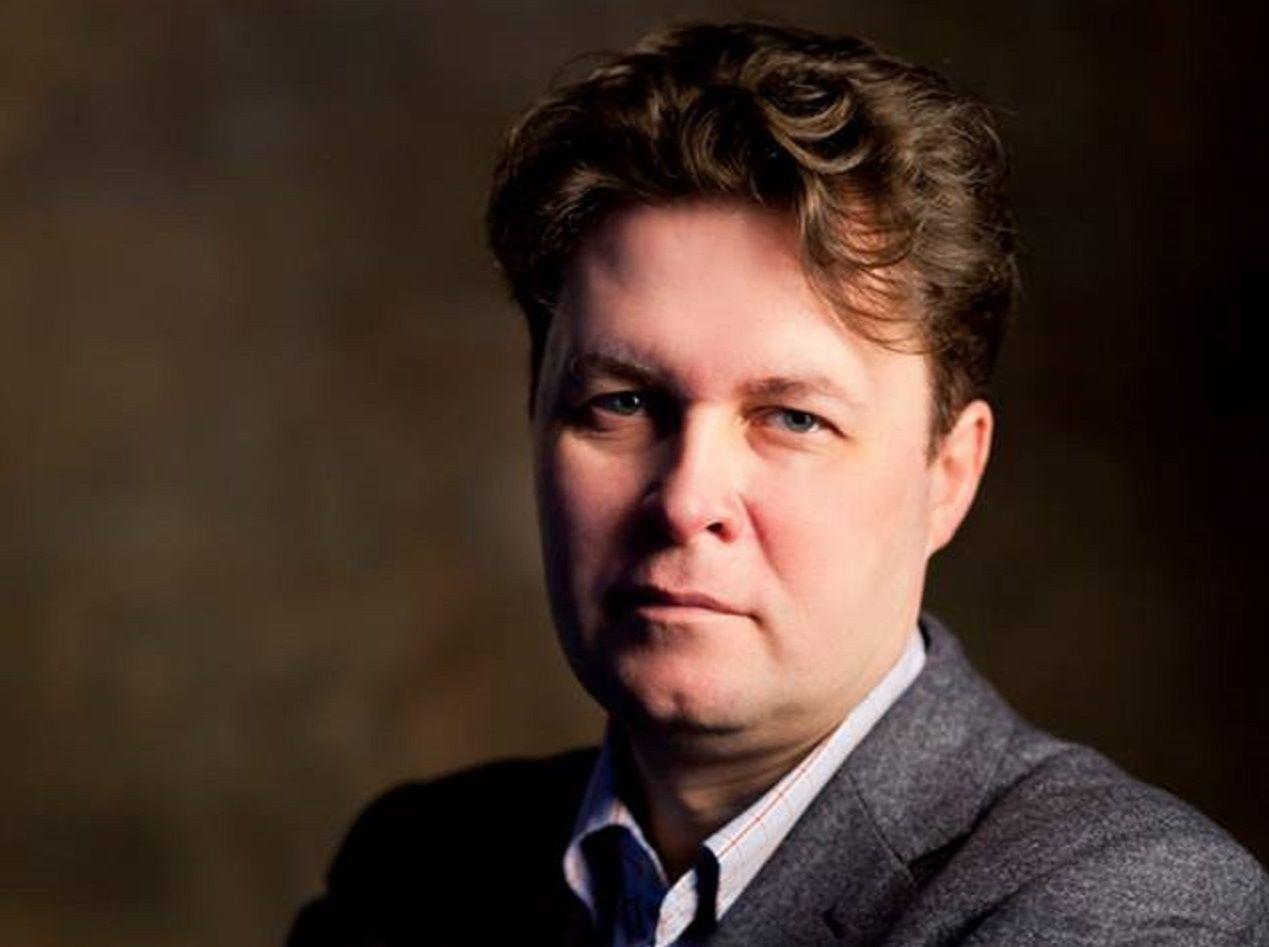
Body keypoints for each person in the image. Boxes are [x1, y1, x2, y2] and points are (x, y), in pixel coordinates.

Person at [288, 21, 1268, 946]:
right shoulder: (412, 866)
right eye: (621, 403)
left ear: (949, 475)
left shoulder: (1133, 903)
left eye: (793, 417)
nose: (686, 499)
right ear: (537, 418)